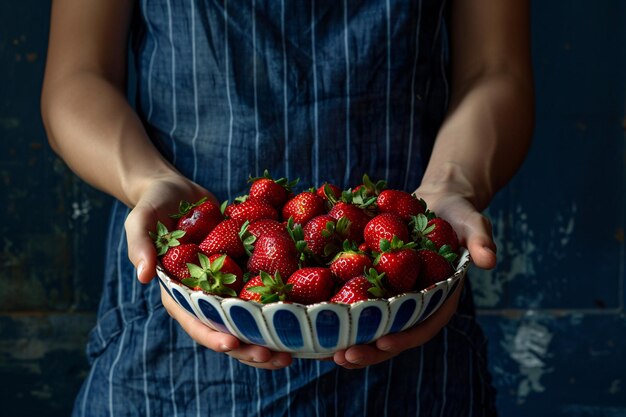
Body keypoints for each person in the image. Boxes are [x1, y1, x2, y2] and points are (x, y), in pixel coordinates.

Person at [41, 0, 533, 415]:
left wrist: (452, 186)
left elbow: (496, 69)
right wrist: (151, 181)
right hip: (178, 320)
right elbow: (77, 77)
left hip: (413, 321)